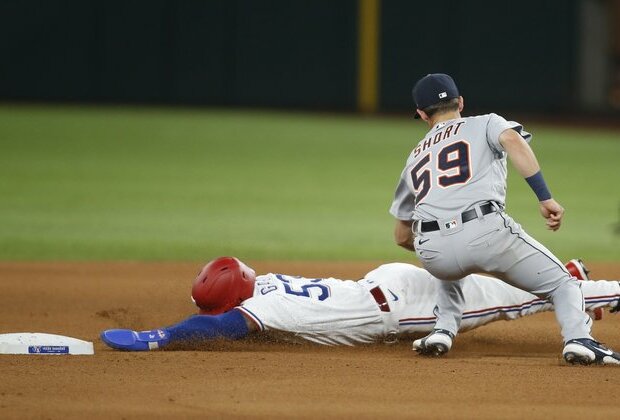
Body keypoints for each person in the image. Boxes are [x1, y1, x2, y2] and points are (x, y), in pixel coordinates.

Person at [389, 73, 620, 365]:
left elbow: (400, 236)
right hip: (486, 233)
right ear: (460, 102)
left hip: (433, 250)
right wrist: (544, 197)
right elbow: (511, 139)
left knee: (449, 270)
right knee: (563, 284)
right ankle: (579, 339)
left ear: (422, 114)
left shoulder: (414, 157)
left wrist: (446, 243)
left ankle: (443, 330)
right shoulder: (485, 121)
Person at [100, 257, 620, 352]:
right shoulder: (268, 284)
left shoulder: (269, 310)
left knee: (509, 301)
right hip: (382, 280)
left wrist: (161, 336)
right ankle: (563, 280)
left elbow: (215, 329)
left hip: (398, 306)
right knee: (499, 292)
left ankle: (590, 288)